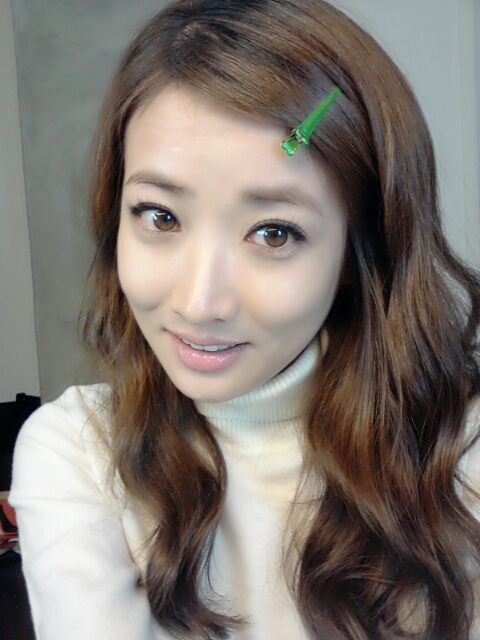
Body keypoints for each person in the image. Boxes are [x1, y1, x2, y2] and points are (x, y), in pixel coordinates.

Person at [9, 0, 480, 638]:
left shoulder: (462, 455)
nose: (199, 304)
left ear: (356, 251)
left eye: (274, 232)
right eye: (160, 217)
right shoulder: (80, 453)